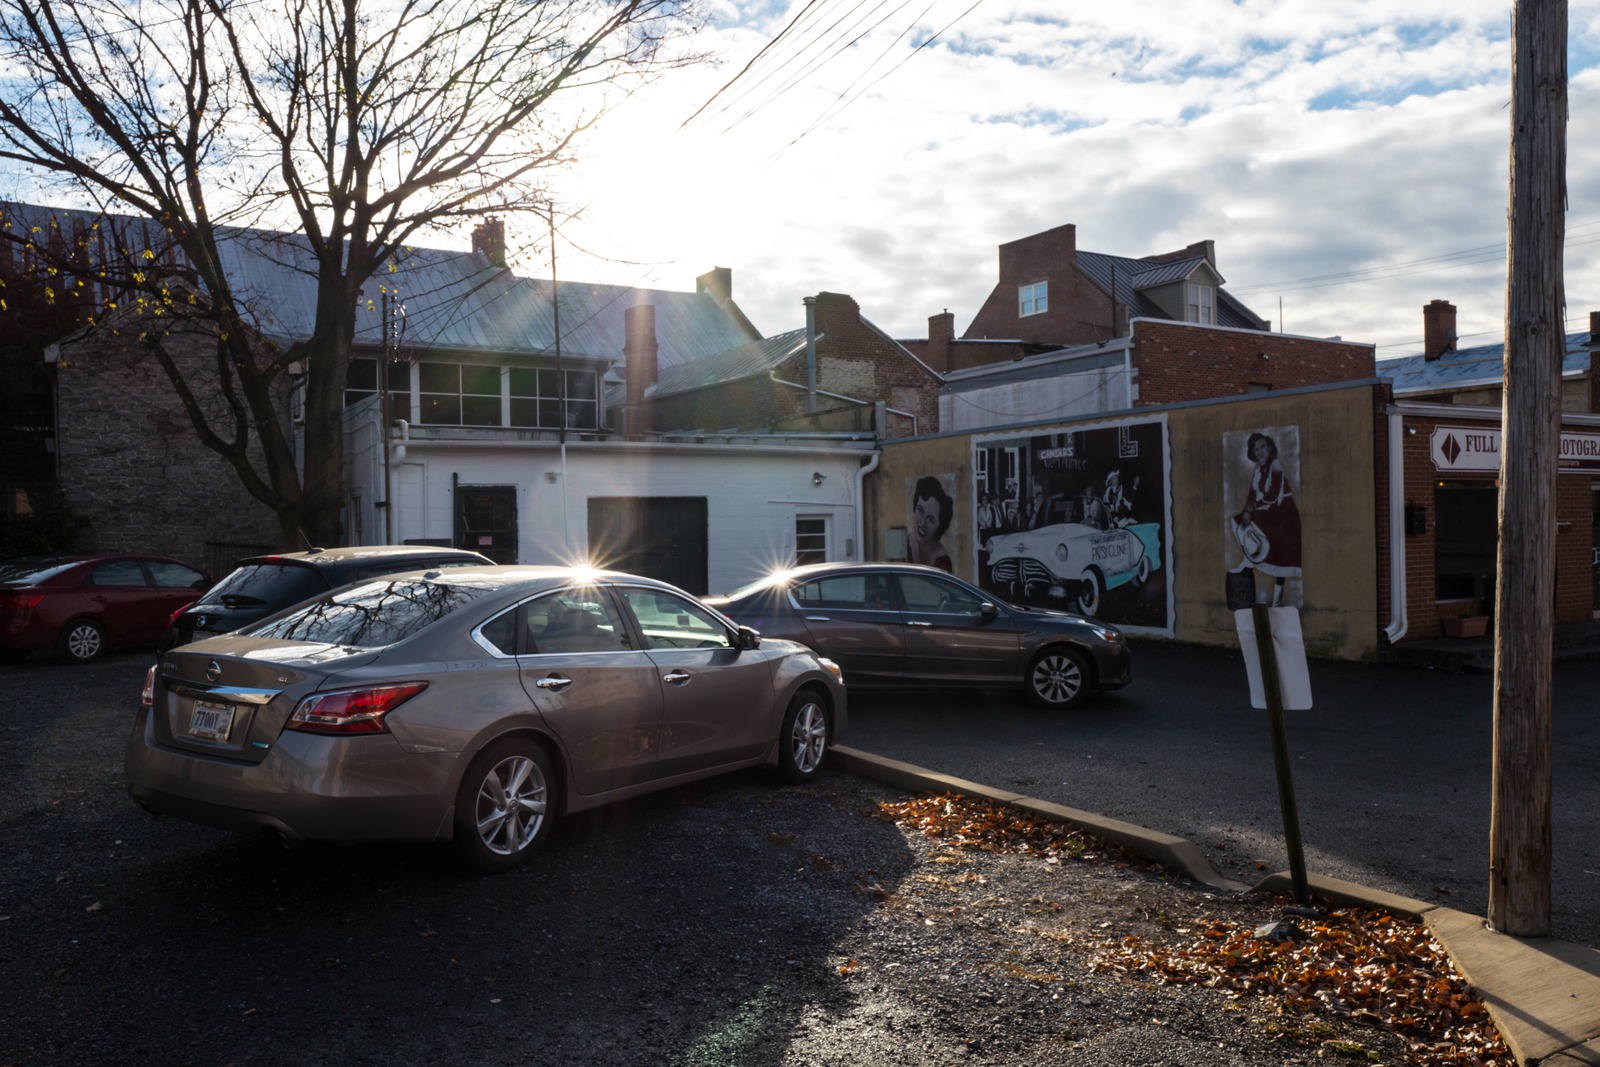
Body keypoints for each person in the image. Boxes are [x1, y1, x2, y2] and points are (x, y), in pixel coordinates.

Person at [1232, 432, 1302, 605]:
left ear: (1269, 447)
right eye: (1256, 449)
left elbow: (1273, 495)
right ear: (1253, 453)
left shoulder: (1275, 465)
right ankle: (1249, 559)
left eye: (1263, 447)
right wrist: (1248, 509)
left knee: (1281, 562)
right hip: (1267, 513)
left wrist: (1254, 508)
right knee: (1237, 522)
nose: (1260, 451)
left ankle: (1276, 602)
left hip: (1284, 515)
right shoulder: (1257, 469)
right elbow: (1252, 494)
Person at [909, 475, 954, 572]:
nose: (923, 523)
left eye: (931, 519)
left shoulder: (942, 562)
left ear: (939, 526)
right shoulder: (907, 545)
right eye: (920, 511)